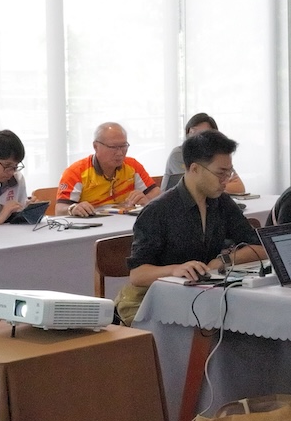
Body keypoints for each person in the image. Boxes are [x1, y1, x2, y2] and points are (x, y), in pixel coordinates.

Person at [118, 129, 264, 324]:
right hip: (158, 302)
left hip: (204, 298)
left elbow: (260, 248)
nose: (226, 181)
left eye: (229, 173)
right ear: (194, 169)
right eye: (220, 173)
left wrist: (224, 260)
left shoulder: (221, 202)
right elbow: (137, 275)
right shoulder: (158, 211)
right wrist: (174, 270)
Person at [53, 122, 157, 217]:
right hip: (93, 225)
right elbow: (59, 210)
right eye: (113, 147)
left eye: (123, 146)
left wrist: (146, 200)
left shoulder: (133, 166)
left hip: (126, 224)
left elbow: (157, 194)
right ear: (96, 146)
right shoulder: (76, 172)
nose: (120, 153)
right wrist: (73, 208)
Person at [163, 113, 246, 194]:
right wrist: (222, 185)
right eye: (192, 132)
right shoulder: (178, 154)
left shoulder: (217, 156)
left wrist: (214, 185)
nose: (195, 137)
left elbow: (239, 187)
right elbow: (195, 186)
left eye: (202, 134)